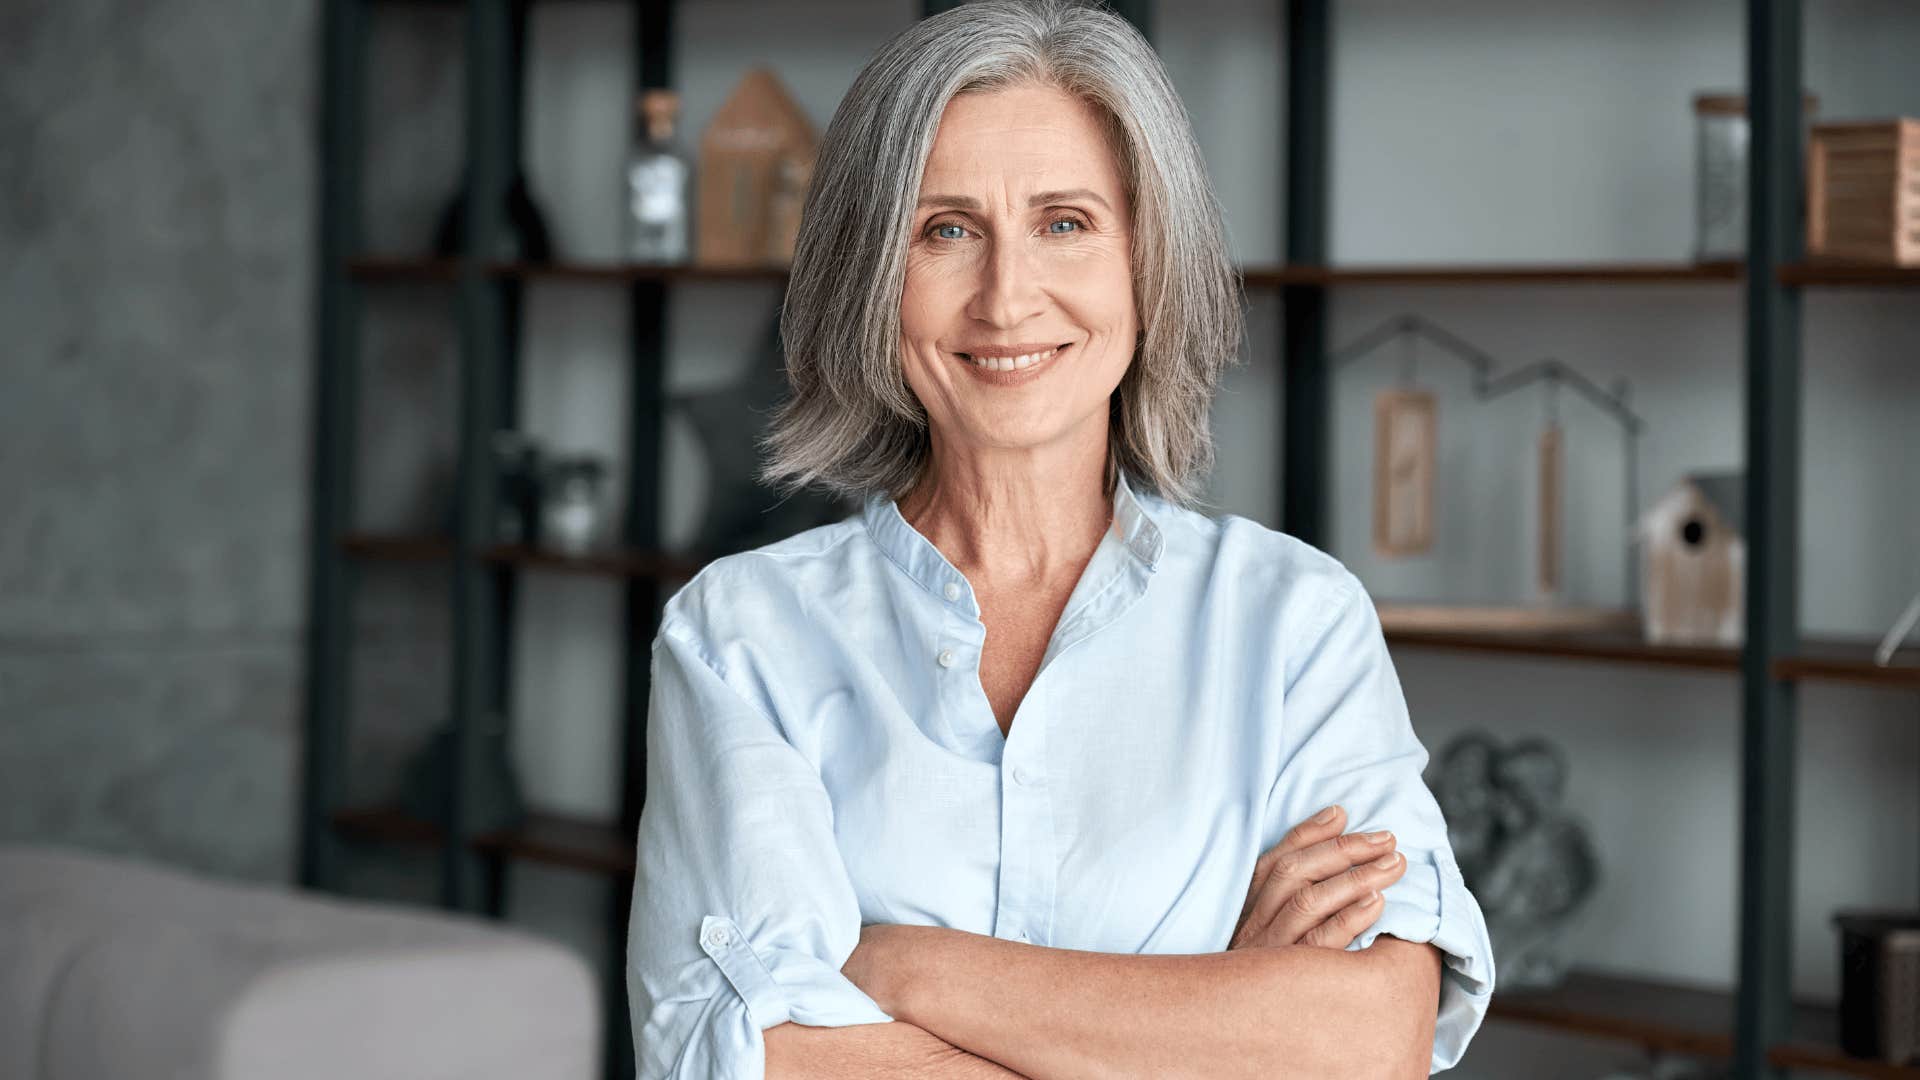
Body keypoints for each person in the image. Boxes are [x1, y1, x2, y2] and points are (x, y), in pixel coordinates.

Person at [625, 2, 1494, 1076]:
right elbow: (749, 1058)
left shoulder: (1294, 625)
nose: (1006, 296)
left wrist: (903, 968)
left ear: (1145, 262)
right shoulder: (741, 638)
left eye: (1065, 222)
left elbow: (1367, 1039)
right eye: (946, 229)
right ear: (872, 277)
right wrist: (1219, 1017)